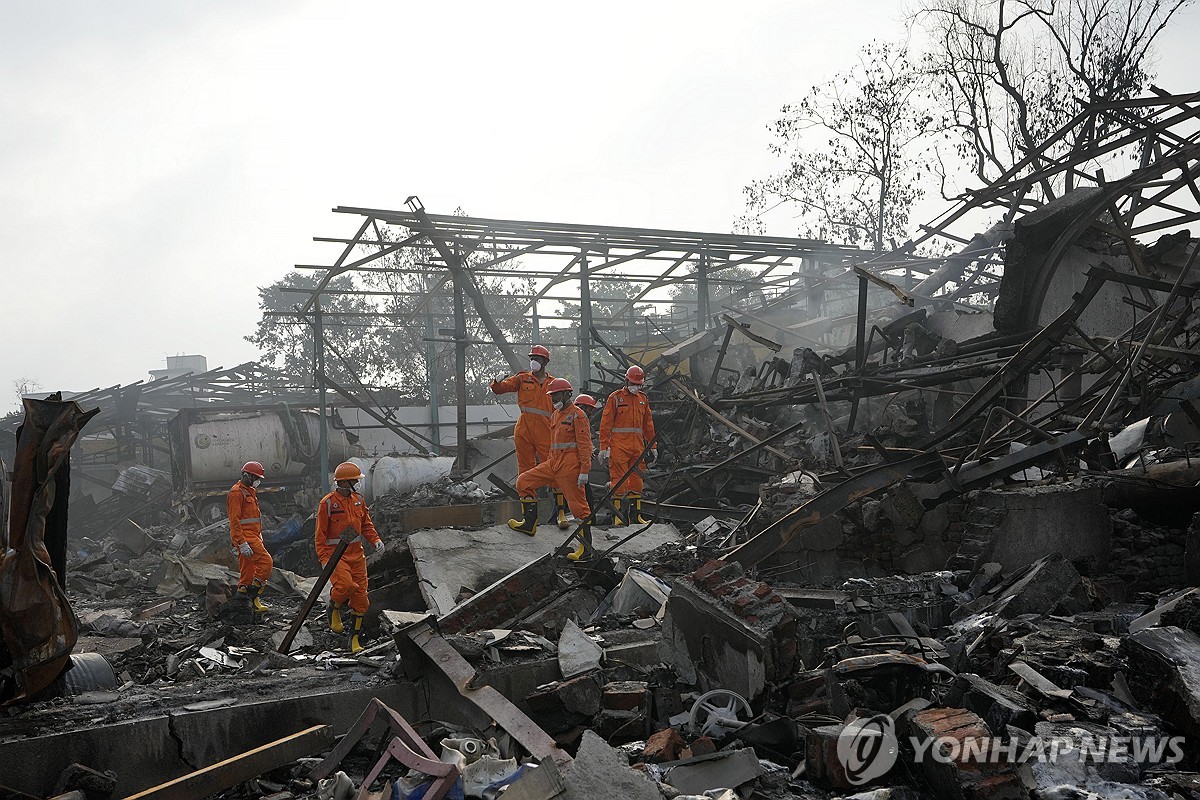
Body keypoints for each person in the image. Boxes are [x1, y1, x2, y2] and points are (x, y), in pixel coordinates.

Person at [507, 378, 595, 560]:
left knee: (580, 509)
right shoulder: (555, 415)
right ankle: (529, 524)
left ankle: (585, 549)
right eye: (552, 395)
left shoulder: (578, 415)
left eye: (556, 395)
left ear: (567, 394)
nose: (553, 398)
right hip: (552, 464)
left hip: (569, 468)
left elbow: (585, 445)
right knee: (523, 482)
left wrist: (585, 470)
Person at [489, 345, 571, 530]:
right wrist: (496, 382)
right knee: (525, 472)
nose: (534, 361)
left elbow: (566, 406)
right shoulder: (522, 378)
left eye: (538, 358)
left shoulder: (554, 383)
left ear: (545, 362)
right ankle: (530, 521)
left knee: (553, 468)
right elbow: (501, 389)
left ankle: (560, 513)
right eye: (532, 357)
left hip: (546, 430)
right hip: (524, 430)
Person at [315, 461, 385, 653]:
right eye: (356, 480)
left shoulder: (359, 500)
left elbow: (366, 524)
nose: (359, 482)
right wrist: (323, 559)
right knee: (346, 586)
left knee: (362, 599)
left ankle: (353, 640)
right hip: (336, 556)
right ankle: (333, 607)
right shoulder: (328, 503)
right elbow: (320, 535)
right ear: (345, 482)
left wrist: (375, 540)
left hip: (357, 555)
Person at [599, 365, 656, 526]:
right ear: (626, 380)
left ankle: (635, 516)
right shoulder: (615, 398)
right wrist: (604, 447)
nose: (636, 387)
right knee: (618, 480)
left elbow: (648, 425)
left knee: (637, 480)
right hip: (619, 446)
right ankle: (618, 516)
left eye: (639, 384)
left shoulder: (643, 399)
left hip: (637, 446)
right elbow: (605, 424)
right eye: (633, 383)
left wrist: (653, 445)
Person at [228, 461, 272, 614]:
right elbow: (234, 521)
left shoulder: (249, 491)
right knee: (266, 563)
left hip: (252, 536)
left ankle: (241, 602)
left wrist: (258, 533)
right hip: (246, 538)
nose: (257, 480)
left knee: (247, 570)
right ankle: (253, 597)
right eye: (255, 477)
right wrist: (241, 542)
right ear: (246, 475)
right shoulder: (236, 493)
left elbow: (252, 518)